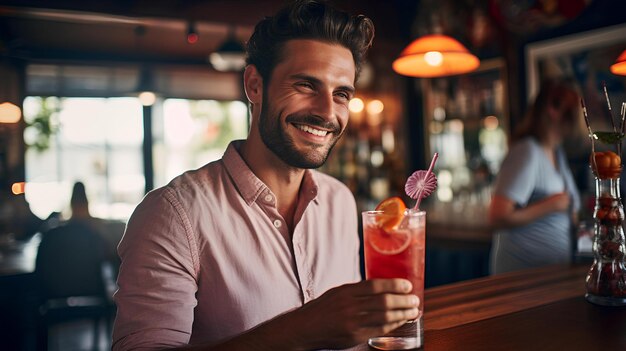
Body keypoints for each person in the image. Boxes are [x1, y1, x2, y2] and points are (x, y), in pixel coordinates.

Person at [112, 1, 419, 350]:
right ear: (255, 86)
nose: (327, 112)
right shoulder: (172, 214)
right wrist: (301, 329)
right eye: (306, 85)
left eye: (341, 94)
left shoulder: (340, 201)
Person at [488, 77, 582, 274]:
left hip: (552, 272)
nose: (579, 119)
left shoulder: (558, 154)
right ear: (553, 109)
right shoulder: (527, 151)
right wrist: (550, 205)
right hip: (522, 276)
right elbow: (497, 216)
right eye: (574, 111)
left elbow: (568, 206)